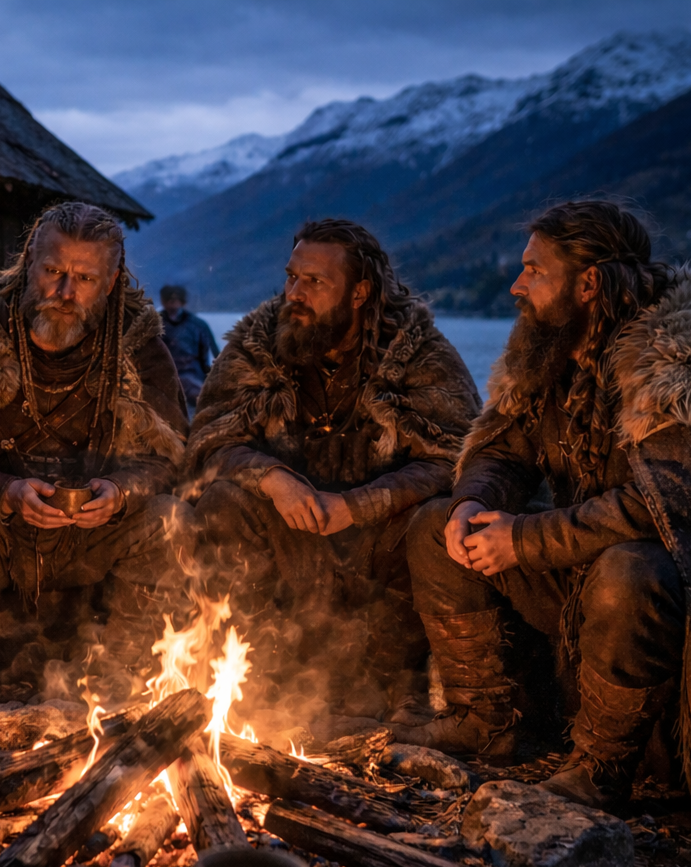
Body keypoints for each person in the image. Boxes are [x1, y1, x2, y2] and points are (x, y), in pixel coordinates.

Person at [396, 199, 691, 808]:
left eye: (534, 271)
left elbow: (665, 506)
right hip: (578, 577)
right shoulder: (553, 352)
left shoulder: (686, 365)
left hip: (681, 613)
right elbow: (505, 447)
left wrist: (521, 539)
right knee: (435, 525)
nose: (517, 285)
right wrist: (475, 499)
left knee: (628, 570)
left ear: (589, 282)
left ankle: (603, 766)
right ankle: (491, 721)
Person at [0, 202, 190, 727]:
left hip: (88, 538)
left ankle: (114, 678)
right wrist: (0, 490)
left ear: (110, 283)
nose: (65, 293)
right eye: (53, 272)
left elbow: (166, 458)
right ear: (29, 263)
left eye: (84, 278)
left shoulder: (136, 347)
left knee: (170, 521)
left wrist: (120, 490)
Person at [186, 219, 480, 718]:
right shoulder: (259, 343)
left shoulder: (417, 352)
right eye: (291, 277)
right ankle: (256, 676)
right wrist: (272, 479)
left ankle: (408, 686)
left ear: (360, 292)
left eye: (314, 282)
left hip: (378, 547)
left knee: (435, 519)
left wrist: (358, 505)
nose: (294, 293)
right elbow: (210, 440)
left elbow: (456, 456)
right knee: (221, 502)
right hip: (290, 536)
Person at [160, 284, 216, 416]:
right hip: (163, 379)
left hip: (193, 378)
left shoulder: (198, 325)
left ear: (183, 302)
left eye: (176, 300)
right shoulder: (154, 323)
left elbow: (215, 354)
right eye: (169, 300)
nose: (173, 304)